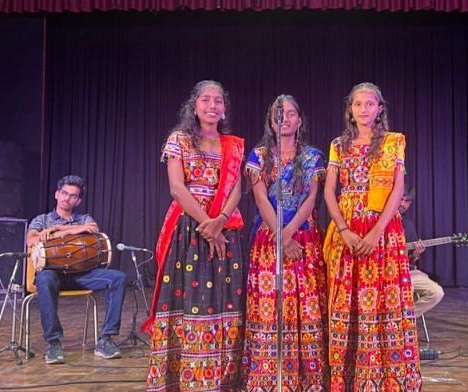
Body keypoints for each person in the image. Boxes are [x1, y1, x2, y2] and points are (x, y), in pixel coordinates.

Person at [145, 80, 246, 391]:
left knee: (224, 302)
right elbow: (177, 188)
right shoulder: (179, 140)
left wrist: (221, 222)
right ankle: (181, 377)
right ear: (195, 105)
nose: (212, 105)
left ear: (224, 108)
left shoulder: (233, 145)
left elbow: (236, 190)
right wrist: (208, 224)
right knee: (188, 301)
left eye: (218, 100)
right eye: (206, 100)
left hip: (225, 230)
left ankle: (221, 377)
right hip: (188, 229)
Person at [323, 82, 422, 391]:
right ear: (350, 111)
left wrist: (377, 231)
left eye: (369, 104)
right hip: (348, 228)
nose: (363, 109)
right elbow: (329, 191)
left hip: (384, 230)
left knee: (383, 301)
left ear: (380, 108)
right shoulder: (338, 144)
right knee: (347, 301)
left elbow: (398, 189)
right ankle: (348, 377)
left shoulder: (394, 142)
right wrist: (343, 229)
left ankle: (386, 376)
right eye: (357, 105)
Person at [241, 95, 327, 390]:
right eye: (279, 114)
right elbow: (261, 197)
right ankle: (267, 377)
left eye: (291, 114)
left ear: (300, 120)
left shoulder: (313, 156)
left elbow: (312, 199)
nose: (285, 119)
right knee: (271, 307)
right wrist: (280, 237)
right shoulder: (260, 156)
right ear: (270, 120)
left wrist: (289, 232)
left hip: (303, 239)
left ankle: (307, 379)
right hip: (269, 241)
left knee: (305, 306)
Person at [27, 175, 127, 364]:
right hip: (54, 275)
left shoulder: (84, 218)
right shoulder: (42, 220)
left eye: (73, 196)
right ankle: (53, 342)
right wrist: (68, 230)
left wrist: (62, 231)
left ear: (78, 200)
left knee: (118, 278)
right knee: (44, 279)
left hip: (83, 275)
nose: (67, 198)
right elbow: (31, 240)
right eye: (64, 193)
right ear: (57, 194)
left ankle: (106, 339)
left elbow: (93, 228)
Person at [399, 184, 444, 316]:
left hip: (407, 271)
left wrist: (416, 255)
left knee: (436, 292)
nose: (403, 204)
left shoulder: (408, 225)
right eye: (401, 199)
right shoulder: (382, 222)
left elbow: (410, 259)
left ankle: (405, 318)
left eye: (407, 201)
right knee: (407, 288)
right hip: (388, 273)